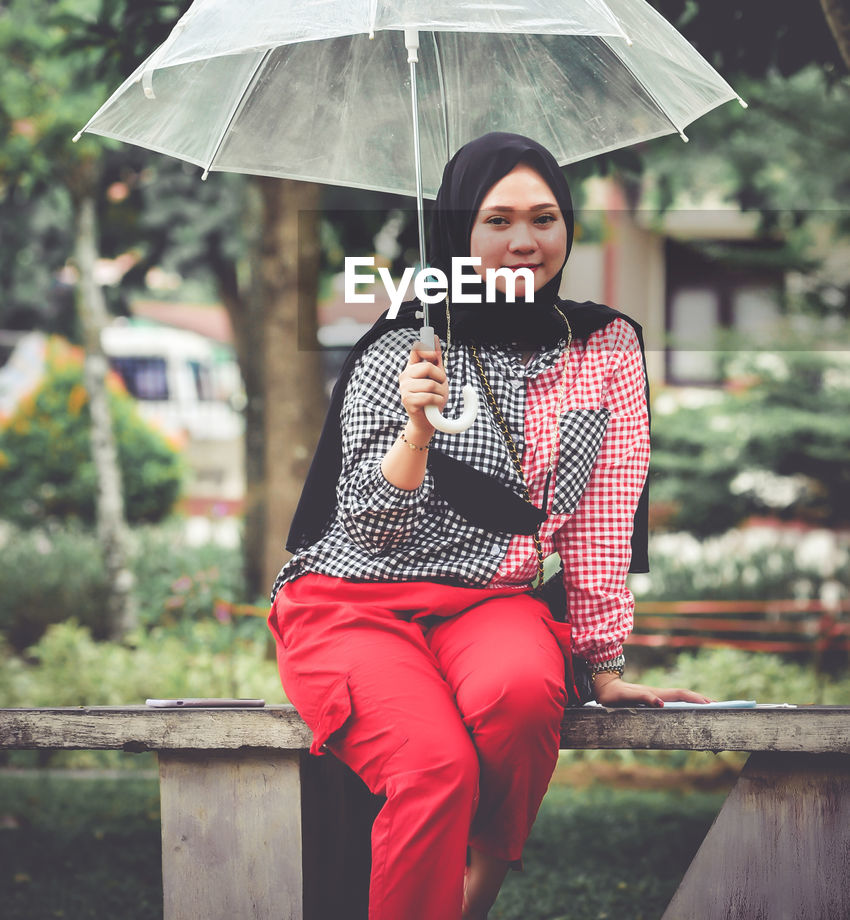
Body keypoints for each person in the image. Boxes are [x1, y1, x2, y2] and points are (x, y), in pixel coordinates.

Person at [268, 132, 708, 920]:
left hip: (488, 600)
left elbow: (605, 514)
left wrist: (603, 663)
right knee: (433, 767)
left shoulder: (604, 347)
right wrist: (417, 431)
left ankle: (473, 895)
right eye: (496, 219)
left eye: (544, 218)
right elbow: (365, 530)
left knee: (521, 695)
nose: (523, 241)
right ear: (456, 236)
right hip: (353, 604)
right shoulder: (403, 350)